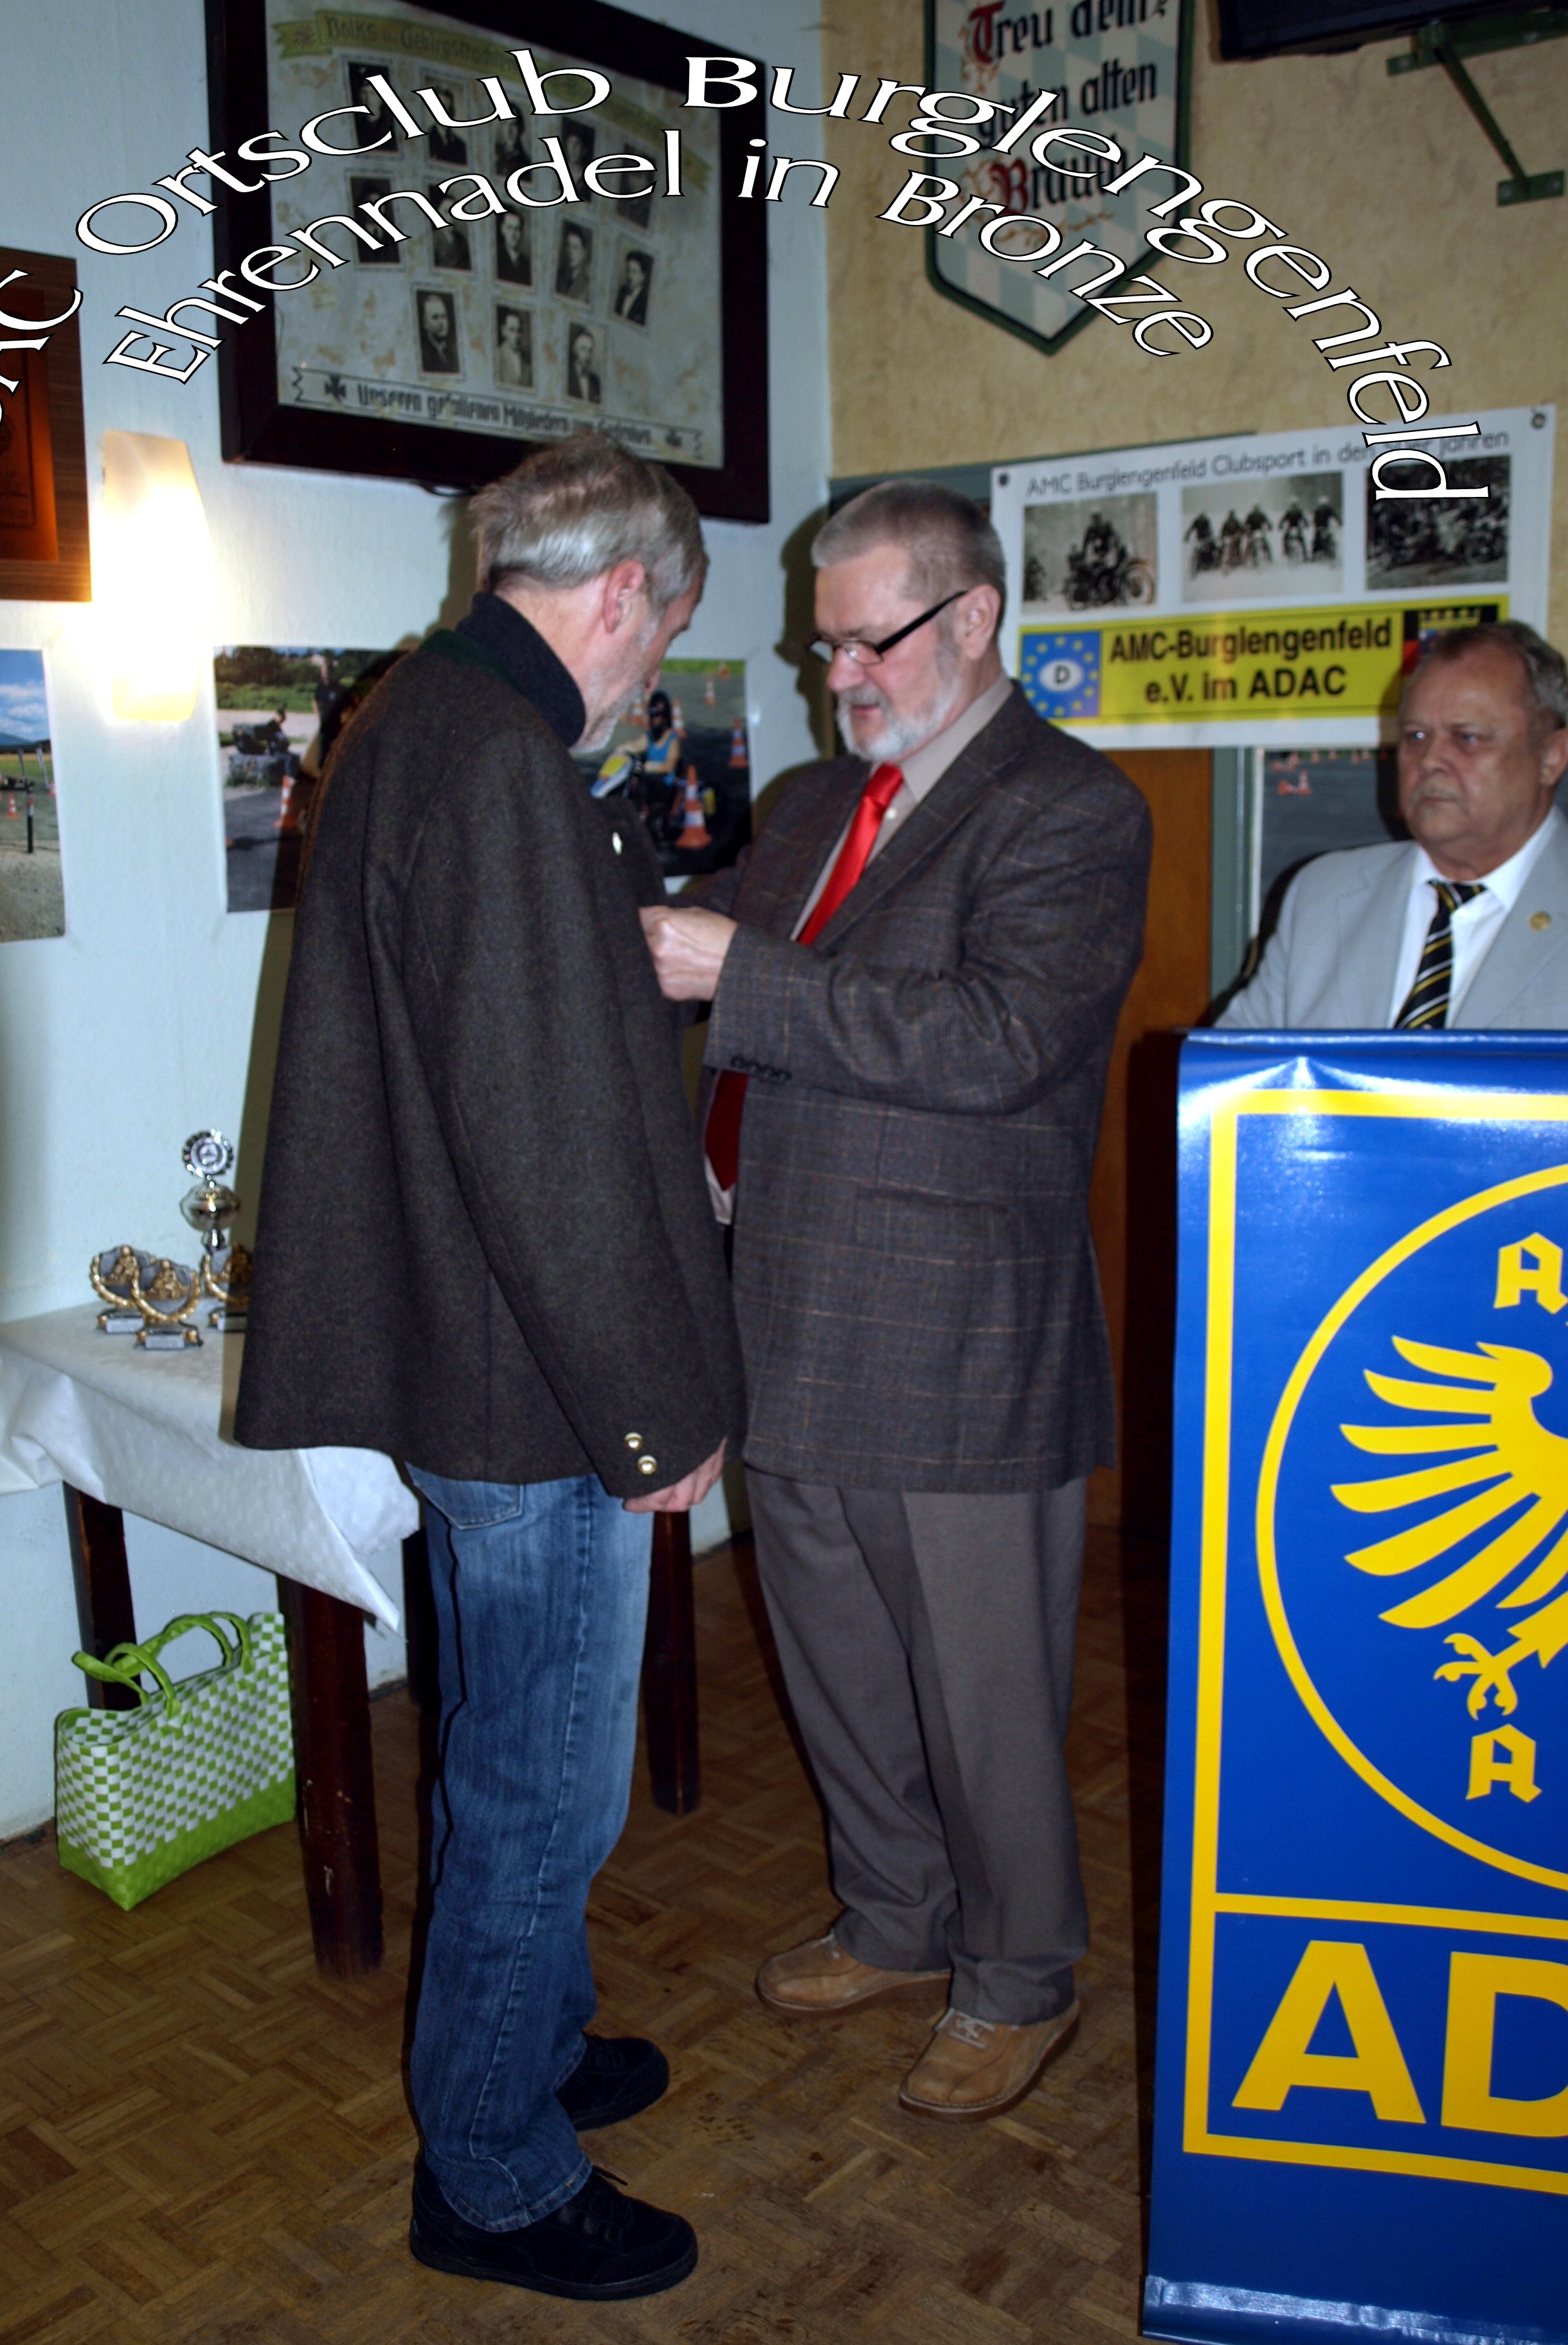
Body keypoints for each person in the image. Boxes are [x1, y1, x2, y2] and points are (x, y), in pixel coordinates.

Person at [235, 433, 744, 2301]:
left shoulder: (414, 716)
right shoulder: (503, 761)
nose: (648, 673)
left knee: (510, 1748)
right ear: (622, 594)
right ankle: (495, 2172)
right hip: (537, 1391)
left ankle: (524, 2035)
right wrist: (646, 1413)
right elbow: (543, 1141)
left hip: (477, 1352)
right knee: (542, 1782)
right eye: (661, 638)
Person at [641, 480, 1150, 2123]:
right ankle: (892, 1914)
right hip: (780, 1308)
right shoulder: (808, 806)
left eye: (871, 641)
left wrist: (740, 976)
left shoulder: (1068, 809)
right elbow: (728, 993)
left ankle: (1017, 1977)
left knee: (982, 1690)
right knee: (839, 1665)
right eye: (824, 644)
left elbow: (999, 1043)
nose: (838, 675)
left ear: (974, 616)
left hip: (957, 1339)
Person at [1217, 620, 1568, 1030]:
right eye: (1416, 736)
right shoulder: (1323, 897)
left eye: (1467, 738)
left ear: (1551, 758)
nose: (1430, 760)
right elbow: (1239, 1065)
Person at [416, 289, 459, 375]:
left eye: (443, 316)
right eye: (435, 317)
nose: (441, 323)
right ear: (425, 323)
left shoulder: (452, 355)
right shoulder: (423, 356)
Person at [494, 304, 532, 389]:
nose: (516, 336)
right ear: (504, 331)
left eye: (519, 331)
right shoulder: (496, 357)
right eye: (512, 330)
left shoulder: (528, 359)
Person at [555, 222, 592, 303]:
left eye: (575, 247)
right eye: (569, 246)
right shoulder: (561, 277)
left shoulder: (588, 283)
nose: (571, 252)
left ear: (584, 252)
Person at [614, 251, 651, 327]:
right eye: (629, 270)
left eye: (634, 272)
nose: (630, 276)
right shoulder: (623, 291)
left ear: (643, 276)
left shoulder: (646, 301)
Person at [566, 325, 600, 406]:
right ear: (575, 350)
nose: (587, 356)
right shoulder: (567, 377)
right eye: (583, 349)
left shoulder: (595, 381)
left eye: (590, 351)